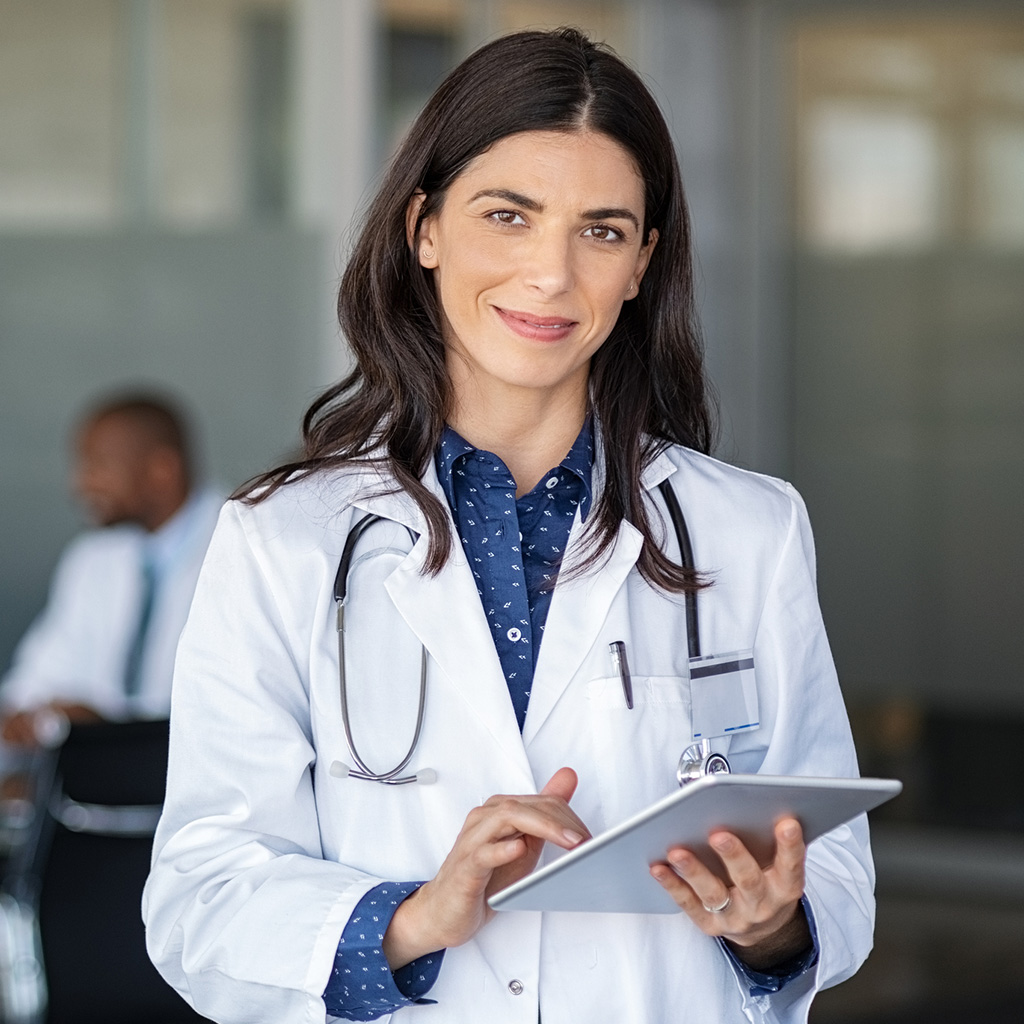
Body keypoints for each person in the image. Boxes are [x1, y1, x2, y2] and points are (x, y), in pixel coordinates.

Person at [143, 28, 874, 1024]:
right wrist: (409, 918)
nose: (550, 274)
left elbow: (832, 874)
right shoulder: (284, 541)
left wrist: (768, 924)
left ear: (641, 264)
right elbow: (200, 896)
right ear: (425, 228)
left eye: (602, 230)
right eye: (508, 215)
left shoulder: (749, 530)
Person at [0, 393, 221, 747]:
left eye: (99, 466)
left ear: (161, 470)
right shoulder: (92, 559)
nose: (81, 485)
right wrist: (27, 718)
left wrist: (108, 726)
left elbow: (227, 708)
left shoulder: (242, 549)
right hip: (94, 791)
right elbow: (38, 679)